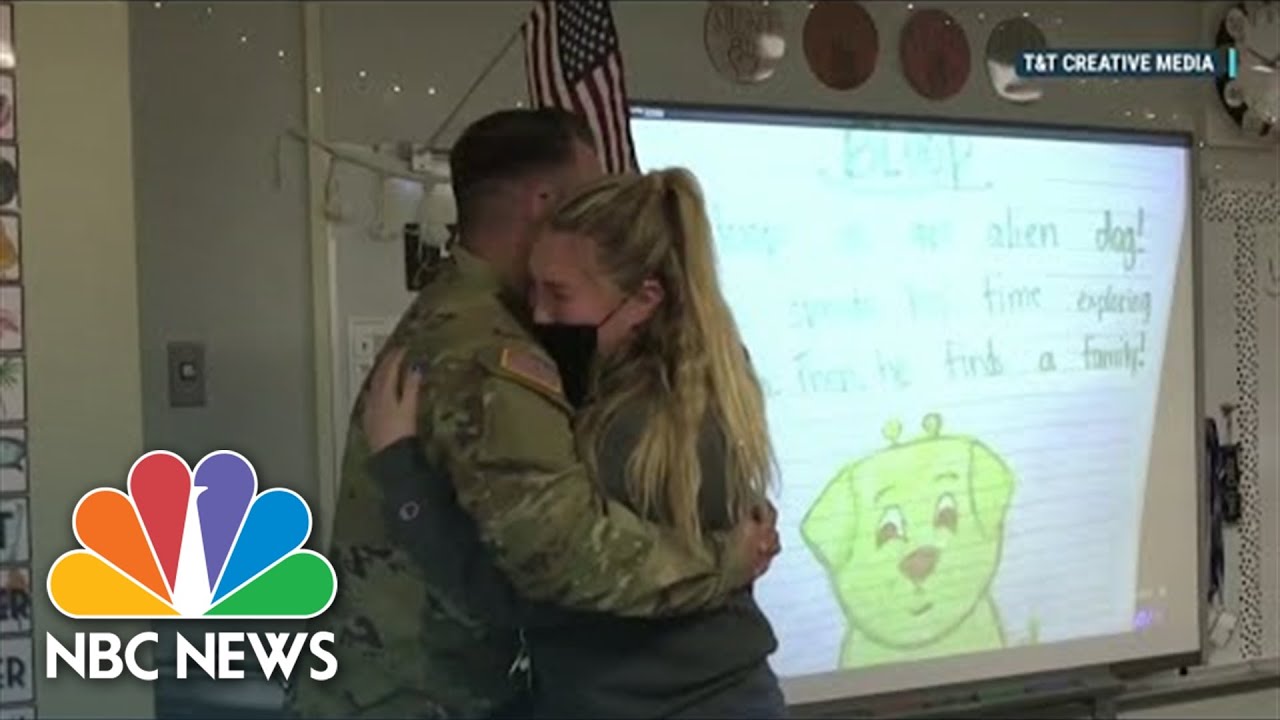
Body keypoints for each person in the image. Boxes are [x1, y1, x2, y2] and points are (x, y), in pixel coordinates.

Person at [287, 109, 779, 720]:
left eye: (562, 294)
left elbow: (554, 565)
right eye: (591, 185)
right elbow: (561, 558)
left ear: (643, 300)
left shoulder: (500, 336)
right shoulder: (497, 348)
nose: (603, 199)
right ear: (545, 205)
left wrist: (404, 477)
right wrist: (726, 560)